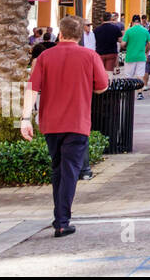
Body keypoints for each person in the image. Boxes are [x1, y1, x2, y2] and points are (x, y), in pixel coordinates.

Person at [21, 14, 109, 238]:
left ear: (60, 33)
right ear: (80, 36)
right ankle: (62, 221)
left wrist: (24, 119)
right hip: (77, 122)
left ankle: (58, 215)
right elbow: (101, 87)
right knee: (70, 171)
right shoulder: (90, 56)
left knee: (58, 170)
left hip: (50, 123)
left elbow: (32, 89)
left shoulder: (45, 56)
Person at [122, 15, 150, 99]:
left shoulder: (129, 31)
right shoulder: (145, 31)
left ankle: (128, 93)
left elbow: (123, 44)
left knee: (128, 75)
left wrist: (126, 47)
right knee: (140, 75)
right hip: (141, 56)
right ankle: (139, 94)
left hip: (130, 56)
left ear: (132, 22)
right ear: (140, 22)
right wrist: (146, 51)